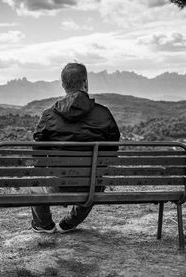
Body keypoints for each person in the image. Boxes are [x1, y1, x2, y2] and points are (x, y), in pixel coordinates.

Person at [31, 62, 120, 233]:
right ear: (85, 83)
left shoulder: (49, 115)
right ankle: (69, 223)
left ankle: (44, 224)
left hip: (56, 184)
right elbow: (112, 152)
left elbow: (38, 155)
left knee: (34, 184)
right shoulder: (104, 114)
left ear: (63, 85)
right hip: (91, 184)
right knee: (96, 180)